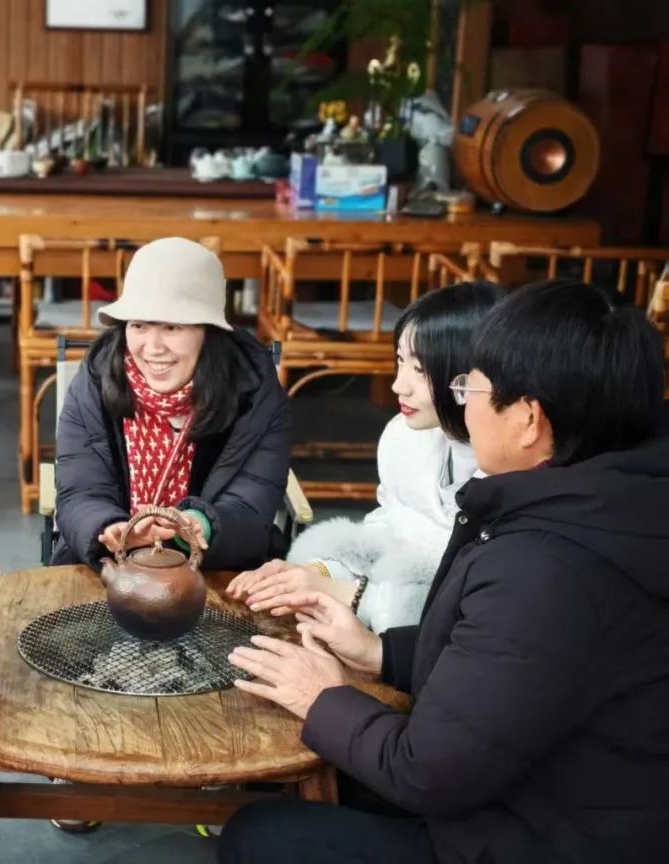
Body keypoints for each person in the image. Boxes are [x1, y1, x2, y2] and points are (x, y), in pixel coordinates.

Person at [221, 279, 669, 864]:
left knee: (260, 837)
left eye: (471, 385)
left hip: (541, 835)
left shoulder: (547, 565)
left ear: (529, 419)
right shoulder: (605, 501)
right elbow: (510, 673)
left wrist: (323, 695)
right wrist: (380, 653)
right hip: (549, 794)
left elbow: (428, 772)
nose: (463, 401)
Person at [227, 282, 503, 632]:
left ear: (468, 375)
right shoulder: (404, 438)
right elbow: (389, 527)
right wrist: (317, 571)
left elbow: (467, 608)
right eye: (401, 362)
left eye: (420, 370)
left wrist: (343, 593)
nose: (398, 385)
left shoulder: (509, 474)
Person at [52, 236, 291, 572]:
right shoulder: (95, 382)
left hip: (214, 569)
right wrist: (108, 528)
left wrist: (201, 525)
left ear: (209, 333)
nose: (152, 347)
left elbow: (252, 508)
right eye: (139, 325)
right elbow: (79, 491)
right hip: (108, 567)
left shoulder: (254, 395)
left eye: (171, 327)